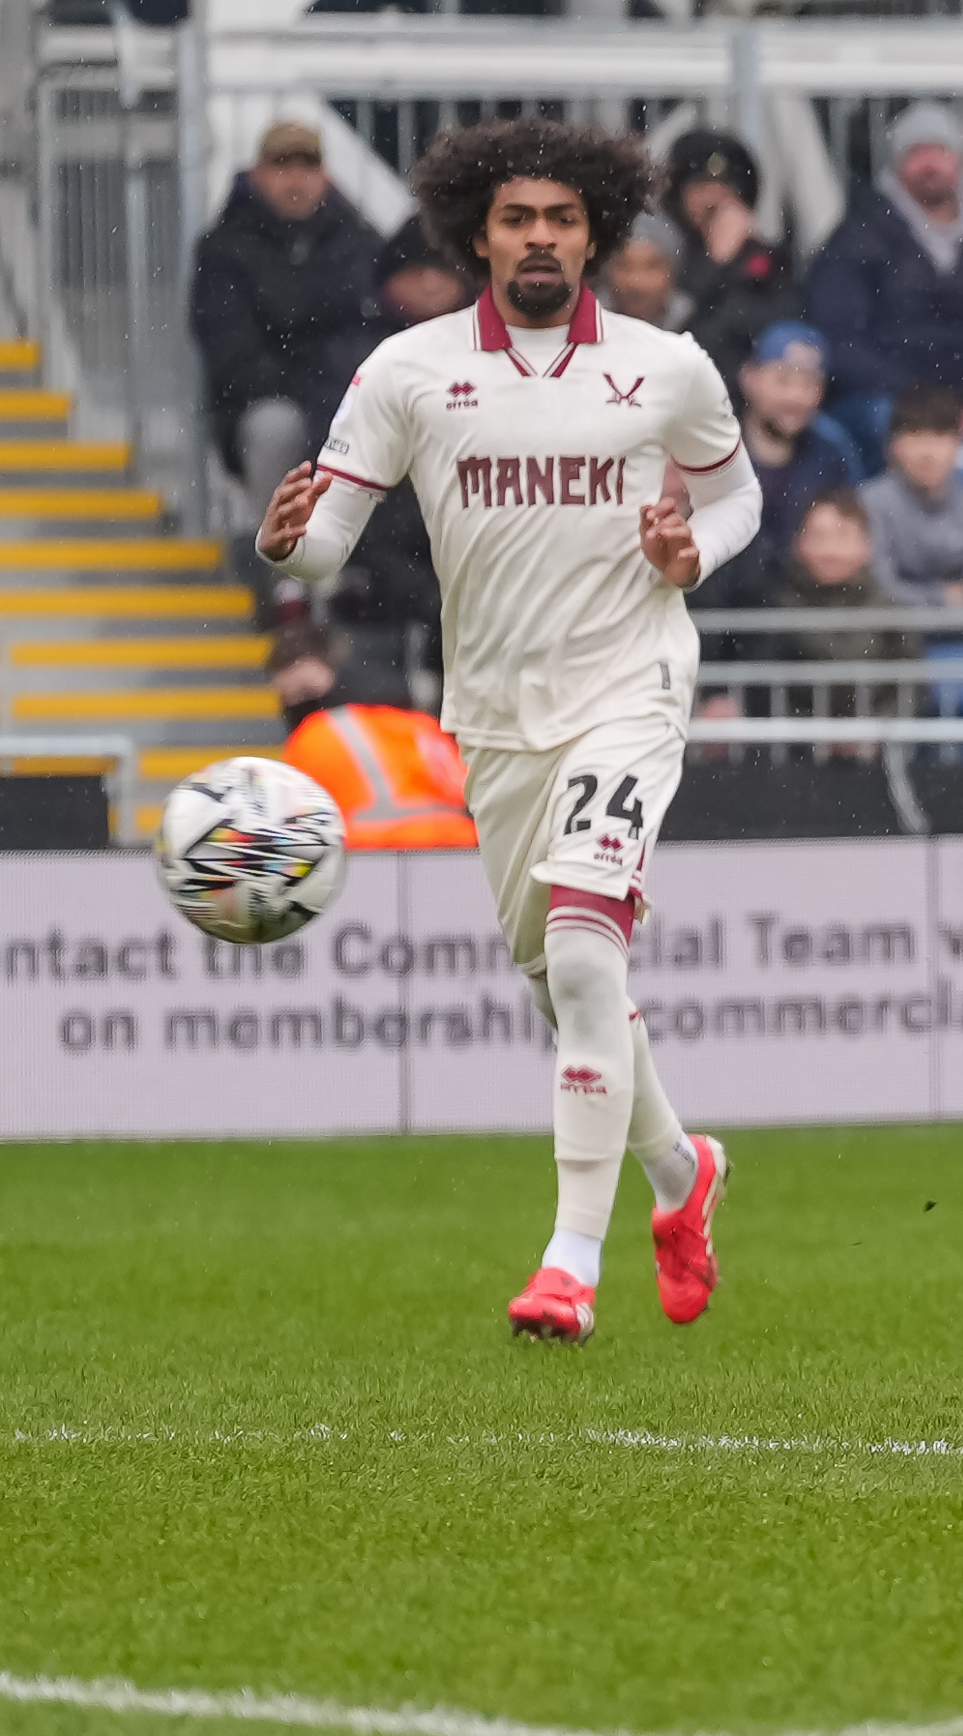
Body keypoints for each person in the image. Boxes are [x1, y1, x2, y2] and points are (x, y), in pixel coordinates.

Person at [256, 117, 755, 1344]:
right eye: (518, 219)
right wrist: (287, 545)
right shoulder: (409, 372)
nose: (541, 239)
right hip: (493, 719)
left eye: (564, 220)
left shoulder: (666, 365)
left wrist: (696, 554)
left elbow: (737, 494)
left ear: (599, 234)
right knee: (565, 989)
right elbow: (328, 542)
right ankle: (682, 1179)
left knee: (588, 954)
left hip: (631, 689)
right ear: (475, 232)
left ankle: (568, 1265)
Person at [191, 122, 387, 527]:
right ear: (258, 174)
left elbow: (374, 330)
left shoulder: (360, 242)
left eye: (307, 167)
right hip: (277, 400)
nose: (295, 180)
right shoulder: (225, 249)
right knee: (275, 429)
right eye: (282, 166)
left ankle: (376, 568)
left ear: (325, 177)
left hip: (342, 394)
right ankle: (290, 572)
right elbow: (231, 351)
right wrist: (313, 387)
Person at [804, 101, 963, 431]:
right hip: (886, 400)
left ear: (961, 159)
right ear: (896, 163)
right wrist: (920, 401)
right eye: (916, 152)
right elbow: (842, 340)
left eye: (940, 150)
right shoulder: (857, 237)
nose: (929, 163)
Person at [273, 622, 481, 851]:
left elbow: (294, 824)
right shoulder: (423, 726)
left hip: (371, 854)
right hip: (461, 850)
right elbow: (469, 792)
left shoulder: (314, 736)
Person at [703, 321, 858, 610]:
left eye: (809, 383)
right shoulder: (713, 448)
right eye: (783, 381)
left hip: (808, 609)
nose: (795, 397)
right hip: (722, 610)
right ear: (749, 379)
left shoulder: (833, 452)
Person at [662, 129, 800, 390]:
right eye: (701, 187)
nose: (714, 199)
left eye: (727, 188)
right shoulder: (667, 255)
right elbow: (672, 327)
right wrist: (714, 264)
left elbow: (782, 329)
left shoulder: (768, 260)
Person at [769, 489, 918, 724]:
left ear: (867, 545)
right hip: (793, 753)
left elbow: (911, 688)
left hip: (876, 750)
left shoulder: (889, 611)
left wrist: (876, 730)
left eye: (843, 536)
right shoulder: (776, 610)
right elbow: (766, 692)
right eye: (818, 536)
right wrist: (810, 734)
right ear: (798, 543)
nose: (830, 550)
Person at [860, 386, 963, 609]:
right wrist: (944, 598)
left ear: (959, 445)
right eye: (916, 435)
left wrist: (915, 600)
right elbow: (880, 594)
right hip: (889, 641)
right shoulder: (869, 503)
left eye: (939, 436)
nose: (927, 452)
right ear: (893, 445)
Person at [602, 211, 694, 331]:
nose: (636, 282)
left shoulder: (700, 328)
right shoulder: (585, 329)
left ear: (671, 273)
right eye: (625, 266)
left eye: (651, 267)